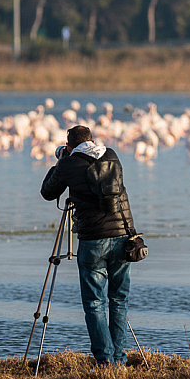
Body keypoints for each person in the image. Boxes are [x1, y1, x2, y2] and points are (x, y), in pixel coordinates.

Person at [40, 125, 135, 366]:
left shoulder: (69, 164)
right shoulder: (112, 155)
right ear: (91, 140)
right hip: (123, 236)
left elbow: (48, 192)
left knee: (94, 302)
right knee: (119, 299)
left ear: (70, 145)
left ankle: (105, 362)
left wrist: (61, 161)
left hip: (94, 240)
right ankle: (119, 359)